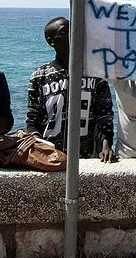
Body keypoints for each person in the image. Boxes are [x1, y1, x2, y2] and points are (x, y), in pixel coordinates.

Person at [25, 17, 116, 161]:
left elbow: (104, 116)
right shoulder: (39, 76)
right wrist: (40, 147)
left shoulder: (95, 73)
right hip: (50, 158)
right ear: (51, 41)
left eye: (73, 29)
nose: (72, 34)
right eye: (65, 31)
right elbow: (32, 121)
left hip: (87, 158)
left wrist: (106, 146)